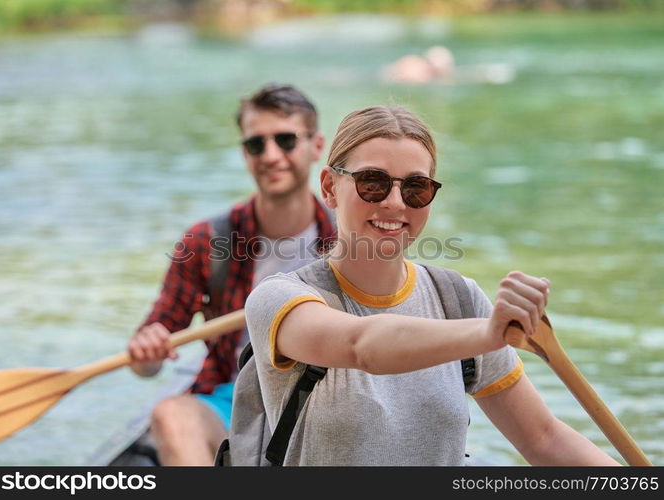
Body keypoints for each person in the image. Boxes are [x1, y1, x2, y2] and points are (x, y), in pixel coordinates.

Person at [244, 105, 620, 465]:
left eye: (416, 188)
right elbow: (363, 347)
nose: (394, 203)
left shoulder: (458, 300)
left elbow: (544, 439)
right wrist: (489, 333)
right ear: (329, 187)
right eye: (372, 182)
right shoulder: (279, 299)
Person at [127, 84, 336, 465]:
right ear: (245, 153)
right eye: (257, 144)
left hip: (330, 403)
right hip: (235, 400)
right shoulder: (206, 241)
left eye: (286, 140)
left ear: (316, 146)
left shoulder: (351, 241)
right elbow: (148, 363)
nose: (271, 156)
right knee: (170, 415)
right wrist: (147, 349)